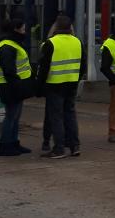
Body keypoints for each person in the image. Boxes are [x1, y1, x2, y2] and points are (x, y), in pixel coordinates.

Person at [38, 15, 86, 159]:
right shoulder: (77, 42)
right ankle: (74, 146)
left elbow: (44, 68)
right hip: (71, 83)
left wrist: (39, 86)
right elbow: (83, 65)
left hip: (55, 84)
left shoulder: (50, 43)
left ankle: (59, 148)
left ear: (56, 27)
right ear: (70, 27)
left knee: (56, 117)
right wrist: (76, 79)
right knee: (70, 114)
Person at [0, 19, 34, 157]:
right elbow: (8, 69)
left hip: (14, 84)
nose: (24, 32)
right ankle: (5, 145)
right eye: (22, 29)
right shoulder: (7, 46)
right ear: (15, 29)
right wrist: (18, 85)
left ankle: (13, 142)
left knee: (15, 116)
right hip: (9, 86)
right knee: (11, 116)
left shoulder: (12, 44)